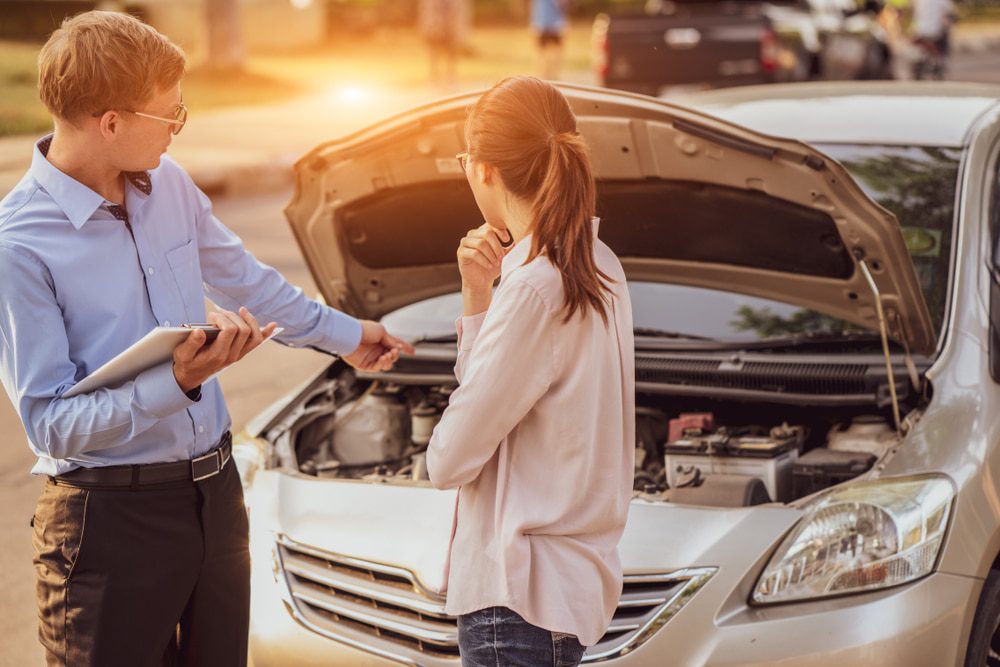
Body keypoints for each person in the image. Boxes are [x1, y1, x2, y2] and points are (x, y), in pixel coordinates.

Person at [0, 10, 413, 666]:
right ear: (111, 122)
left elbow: (250, 283)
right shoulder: (20, 245)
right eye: (171, 115)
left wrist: (348, 336)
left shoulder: (170, 186)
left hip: (215, 502)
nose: (178, 126)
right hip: (108, 526)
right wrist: (178, 381)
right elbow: (50, 425)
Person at [426, 76, 635, 667]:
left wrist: (489, 303)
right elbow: (501, 396)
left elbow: (448, 459)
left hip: (513, 603)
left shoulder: (536, 288)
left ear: (485, 170)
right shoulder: (602, 267)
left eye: (465, 160)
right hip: (566, 595)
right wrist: (478, 296)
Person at [419, 0, 463, 87]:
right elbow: (425, 11)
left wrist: (455, 27)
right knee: (434, 51)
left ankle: (450, 76)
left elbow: (457, 12)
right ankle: (434, 76)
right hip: (435, 25)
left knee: (450, 50)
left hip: (449, 26)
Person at [532, 0, 569, 80]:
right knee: (542, 55)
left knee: (556, 54)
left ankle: (554, 77)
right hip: (541, 25)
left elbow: (564, 4)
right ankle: (543, 77)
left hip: (555, 26)